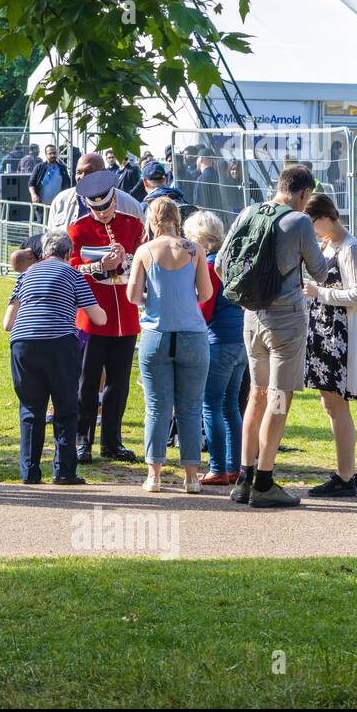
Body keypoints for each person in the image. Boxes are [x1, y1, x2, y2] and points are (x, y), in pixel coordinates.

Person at [217, 165, 329, 508]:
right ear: (304, 194)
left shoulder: (249, 211)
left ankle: (243, 477)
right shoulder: (298, 222)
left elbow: (222, 262)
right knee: (280, 398)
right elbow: (320, 272)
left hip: (252, 317)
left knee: (256, 395)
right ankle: (265, 480)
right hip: (286, 320)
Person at [3, 229, 106, 485]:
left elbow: (7, 322)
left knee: (30, 409)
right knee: (66, 408)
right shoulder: (73, 275)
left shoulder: (25, 276)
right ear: (69, 253)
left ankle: (29, 472)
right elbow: (99, 318)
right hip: (59, 343)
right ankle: (64, 471)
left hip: (22, 342)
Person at [128, 197, 213, 493]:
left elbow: (132, 295)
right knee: (190, 407)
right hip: (193, 334)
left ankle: (154, 475)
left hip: (156, 333)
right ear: (178, 219)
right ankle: (191, 477)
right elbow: (205, 293)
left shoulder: (144, 251)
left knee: (156, 407)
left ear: (152, 221)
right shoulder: (195, 250)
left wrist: (150, 301)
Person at [69, 167, 143, 464]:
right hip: (93, 315)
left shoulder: (132, 224)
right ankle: (82, 441)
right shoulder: (78, 229)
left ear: (115, 200)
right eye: (95, 208)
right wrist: (99, 266)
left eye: (106, 206)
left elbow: (142, 259)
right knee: (87, 381)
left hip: (125, 314)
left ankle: (112, 441)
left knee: (119, 382)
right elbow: (73, 267)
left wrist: (124, 260)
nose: (102, 213)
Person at [303, 193, 357, 497]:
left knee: (336, 406)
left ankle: (345, 475)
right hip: (324, 332)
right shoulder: (328, 244)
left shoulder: (349, 248)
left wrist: (320, 293)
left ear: (326, 217)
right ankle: (348, 471)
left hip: (337, 336)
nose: (312, 229)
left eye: (313, 222)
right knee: (331, 405)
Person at [184, 211, 246, 487]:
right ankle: (234, 467)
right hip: (240, 340)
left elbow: (205, 309)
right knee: (231, 406)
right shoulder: (228, 262)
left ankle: (218, 467)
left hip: (218, 341)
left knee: (211, 405)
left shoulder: (208, 267)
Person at [46, 151, 143, 232]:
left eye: (89, 172)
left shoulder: (129, 205)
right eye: (79, 172)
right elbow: (50, 242)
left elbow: (143, 243)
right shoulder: (61, 201)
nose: (82, 177)